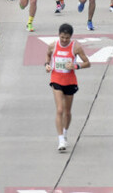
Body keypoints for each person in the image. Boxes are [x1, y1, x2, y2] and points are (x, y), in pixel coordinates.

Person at [46, 23, 91, 151]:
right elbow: (48, 55)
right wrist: (47, 65)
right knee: (59, 109)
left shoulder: (75, 47)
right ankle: (60, 140)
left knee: (67, 112)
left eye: (67, 38)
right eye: (62, 37)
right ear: (59, 35)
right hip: (56, 80)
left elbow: (88, 63)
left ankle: (65, 132)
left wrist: (76, 66)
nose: (64, 40)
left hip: (70, 81)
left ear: (71, 37)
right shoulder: (53, 46)